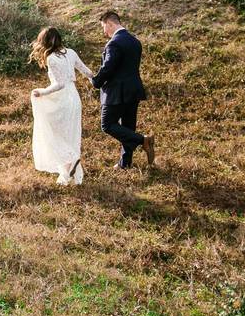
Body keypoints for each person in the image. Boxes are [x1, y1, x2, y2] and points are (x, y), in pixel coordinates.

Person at [90, 11, 155, 169]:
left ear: (110, 23)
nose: (104, 32)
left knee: (107, 125)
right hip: (134, 90)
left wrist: (95, 81)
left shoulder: (114, 43)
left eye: (104, 27)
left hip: (116, 93)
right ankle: (125, 163)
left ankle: (143, 140)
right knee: (128, 127)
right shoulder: (135, 41)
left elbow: (108, 68)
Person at [29, 26, 94, 185]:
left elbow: (59, 85)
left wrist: (42, 92)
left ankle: (71, 159)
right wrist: (98, 82)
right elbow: (87, 72)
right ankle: (67, 172)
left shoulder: (51, 58)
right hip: (75, 98)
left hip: (62, 99)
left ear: (44, 41)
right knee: (70, 133)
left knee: (54, 132)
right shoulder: (71, 52)